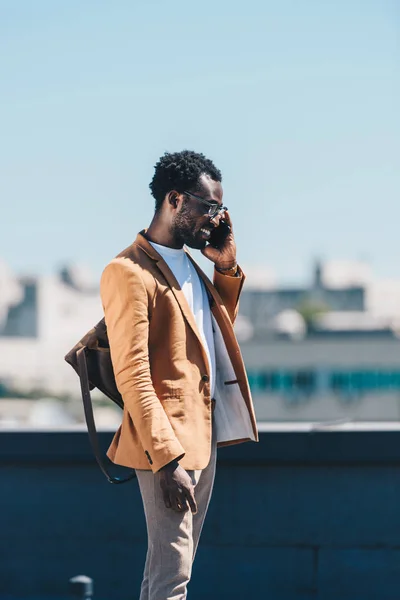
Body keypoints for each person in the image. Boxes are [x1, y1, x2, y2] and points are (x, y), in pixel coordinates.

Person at [100, 150, 258, 600]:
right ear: (174, 200)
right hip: (164, 443)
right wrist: (167, 460)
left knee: (168, 572)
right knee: (173, 579)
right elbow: (133, 375)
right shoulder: (128, 271)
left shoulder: (192, 265)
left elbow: (211, 337)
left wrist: (225, 267)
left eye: (220, 209)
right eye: (208, 207)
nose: (215, 218)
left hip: (201, 433)